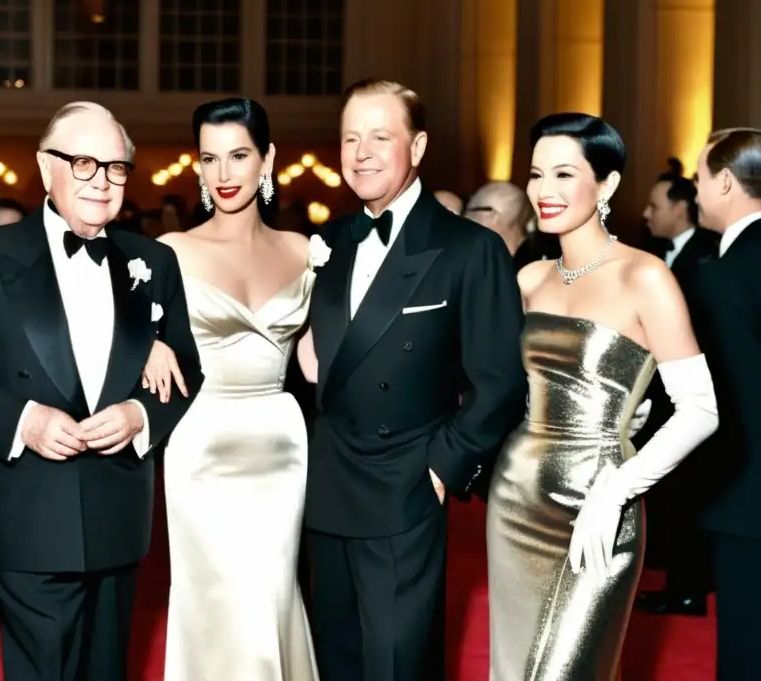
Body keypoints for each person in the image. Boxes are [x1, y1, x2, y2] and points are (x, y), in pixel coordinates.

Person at [0, 101, 203, 681]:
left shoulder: (154, 261)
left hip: (119, 512)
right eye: (84, 163)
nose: (101, 180)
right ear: (47, 167)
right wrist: (24, 420)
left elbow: (185, 372)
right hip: (27, 512)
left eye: (116, 167)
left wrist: (139, 416)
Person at [301, 79, 528, 680]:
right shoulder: (325, 243)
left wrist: (443, 466)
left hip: (404, 483)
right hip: (327, 484)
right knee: (337, 659)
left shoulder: (469, 248)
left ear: (418, 146)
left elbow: (500, 380)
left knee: (399, 663)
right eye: (350, 137)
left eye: (381, 136)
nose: (361, 153)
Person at [486, 113, 719, 680]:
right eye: (537, 174)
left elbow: (701, 409)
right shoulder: (528, 280)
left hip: (600, 503)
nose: (545, 190)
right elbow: (500, 389)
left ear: (607, 184)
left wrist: (616, 489)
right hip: (515, 497)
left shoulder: (645, 277)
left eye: (564, 174)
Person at [155, 98, 319, 679]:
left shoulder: (305, 252)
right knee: (212, 596)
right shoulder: (172, 253)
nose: (224, 174)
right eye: (210, 158)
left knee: (271, 593)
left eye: (239, 156)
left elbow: (320, 363)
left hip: (280, 443)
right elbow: (119, 335)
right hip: (201, 442)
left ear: (267, 159)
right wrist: (149, 343)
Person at [687, 127, 761, 680]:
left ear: (727, 183)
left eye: (699, 178)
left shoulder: (724, 276)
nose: (694, 191)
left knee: (746, 646)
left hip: (748, 495)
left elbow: (729, 399)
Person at [635, 166, 718, 617]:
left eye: (655, 205)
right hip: (660, 399)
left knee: (689, 495)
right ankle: (677, 575)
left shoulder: (710, 254)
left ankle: (689, 586)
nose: (647, 214)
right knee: (672, 495)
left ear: (680, 208)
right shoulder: (653, 255)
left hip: (694, 398)